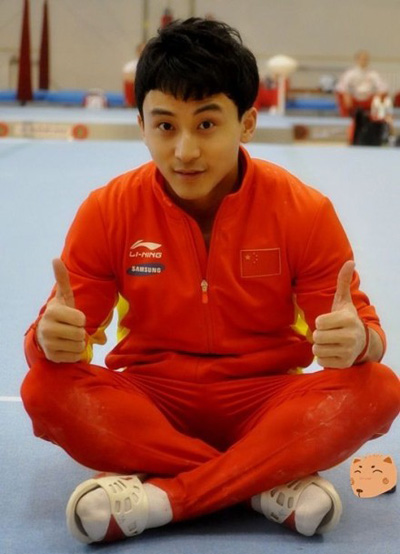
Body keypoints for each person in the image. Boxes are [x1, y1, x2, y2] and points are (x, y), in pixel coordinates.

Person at [21, 18, 400, 545]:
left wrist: (360, 342)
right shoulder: (108, 211)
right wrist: (46, 340)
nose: (184, 151)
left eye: (205, 124)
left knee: (379, 389)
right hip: (152, 399)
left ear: (247, 123)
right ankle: (261, 481)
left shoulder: (304, 211)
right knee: (44, 389)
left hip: (266, 399)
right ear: (141, 125)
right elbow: (52, 344)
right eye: (165, 126)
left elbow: (368, 337)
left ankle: (167, 497)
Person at [335, 50, 388, 115]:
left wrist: (379, 95)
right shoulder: (350, 73)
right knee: (341, 94)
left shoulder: (373, 73)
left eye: (365, 59)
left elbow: (383, 86)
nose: (363, 61)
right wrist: (346, 94)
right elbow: (341, 86)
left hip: (368, 99)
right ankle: (347, 115)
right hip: (354, 99)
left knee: (383, 95)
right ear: (356, 60)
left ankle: (376, 116)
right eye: (361, 59)